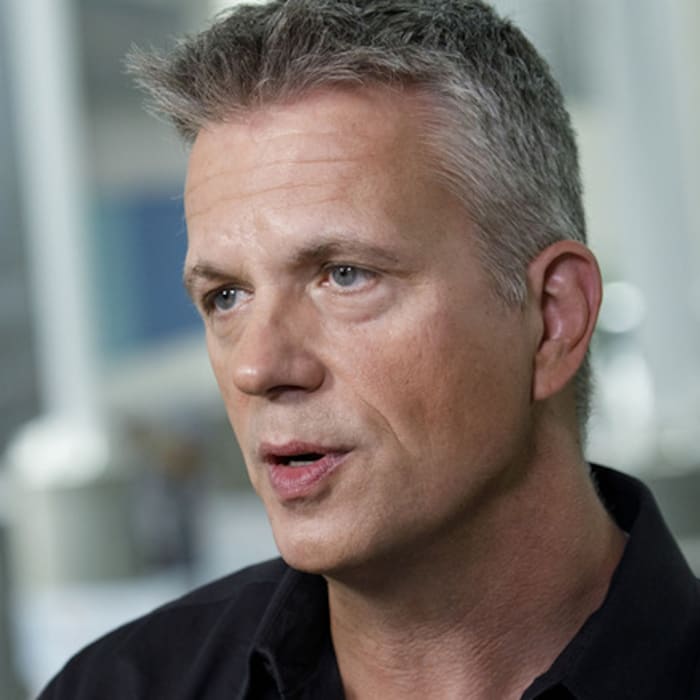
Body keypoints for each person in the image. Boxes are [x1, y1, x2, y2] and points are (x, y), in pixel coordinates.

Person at [40, 1, 700, 698]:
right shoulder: (116, 687)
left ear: (552, 317)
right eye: (226, 296)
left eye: (344, 275)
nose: (258, 367)